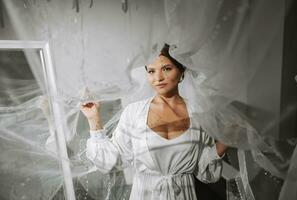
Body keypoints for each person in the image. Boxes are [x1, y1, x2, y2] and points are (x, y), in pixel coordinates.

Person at [80, 44, 229, 200]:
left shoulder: (199, 113)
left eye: (166, 69)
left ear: (182, 71)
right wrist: (93, 118)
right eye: (151, 71)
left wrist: (227, 139)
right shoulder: (134, 113)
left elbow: (205, 172)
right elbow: (110, 162)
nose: (158, 78)